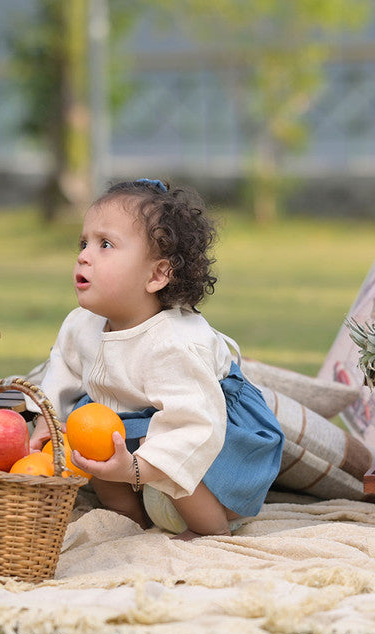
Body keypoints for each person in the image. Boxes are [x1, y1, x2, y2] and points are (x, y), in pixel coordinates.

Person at [28, 178, 284, 538]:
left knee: (176, 460)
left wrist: (139, 467)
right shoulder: (81, 324)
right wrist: (46, 419)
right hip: (135, 425)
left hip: (209, 436)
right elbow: (62, 371)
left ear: (157, 274)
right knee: (92, 436)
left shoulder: (174, 344)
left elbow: (193, 427)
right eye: (83, 243)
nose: (84, 255)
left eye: (105, 244)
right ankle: (132, 519)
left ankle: (208, 530)